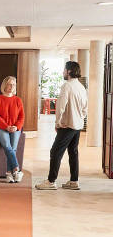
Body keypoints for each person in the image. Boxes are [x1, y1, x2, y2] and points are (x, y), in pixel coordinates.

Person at [35, 60, 88, 190]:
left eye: (64, 70)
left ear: (69, 71)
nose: (63, 72)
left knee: (55, 152)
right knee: (73, 152)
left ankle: (51, 181)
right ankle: (74, 181)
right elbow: (85, 108)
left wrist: (58, 122)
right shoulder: (81, 87)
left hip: (67, 125)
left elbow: (60, 106)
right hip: (77, 126)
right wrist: (79, 118)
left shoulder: (67, 86)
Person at [0, 76, 24, 182]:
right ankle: (17, 170)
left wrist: (16, 127)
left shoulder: (18, 100)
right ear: (4, 85)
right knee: (8, 147)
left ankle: (9, 174)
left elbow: (21, 117)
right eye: (9, 84)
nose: (11, 86)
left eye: (14, 84)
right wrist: (6, 127)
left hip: (15, 128)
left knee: (13, 149)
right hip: (0, 127)